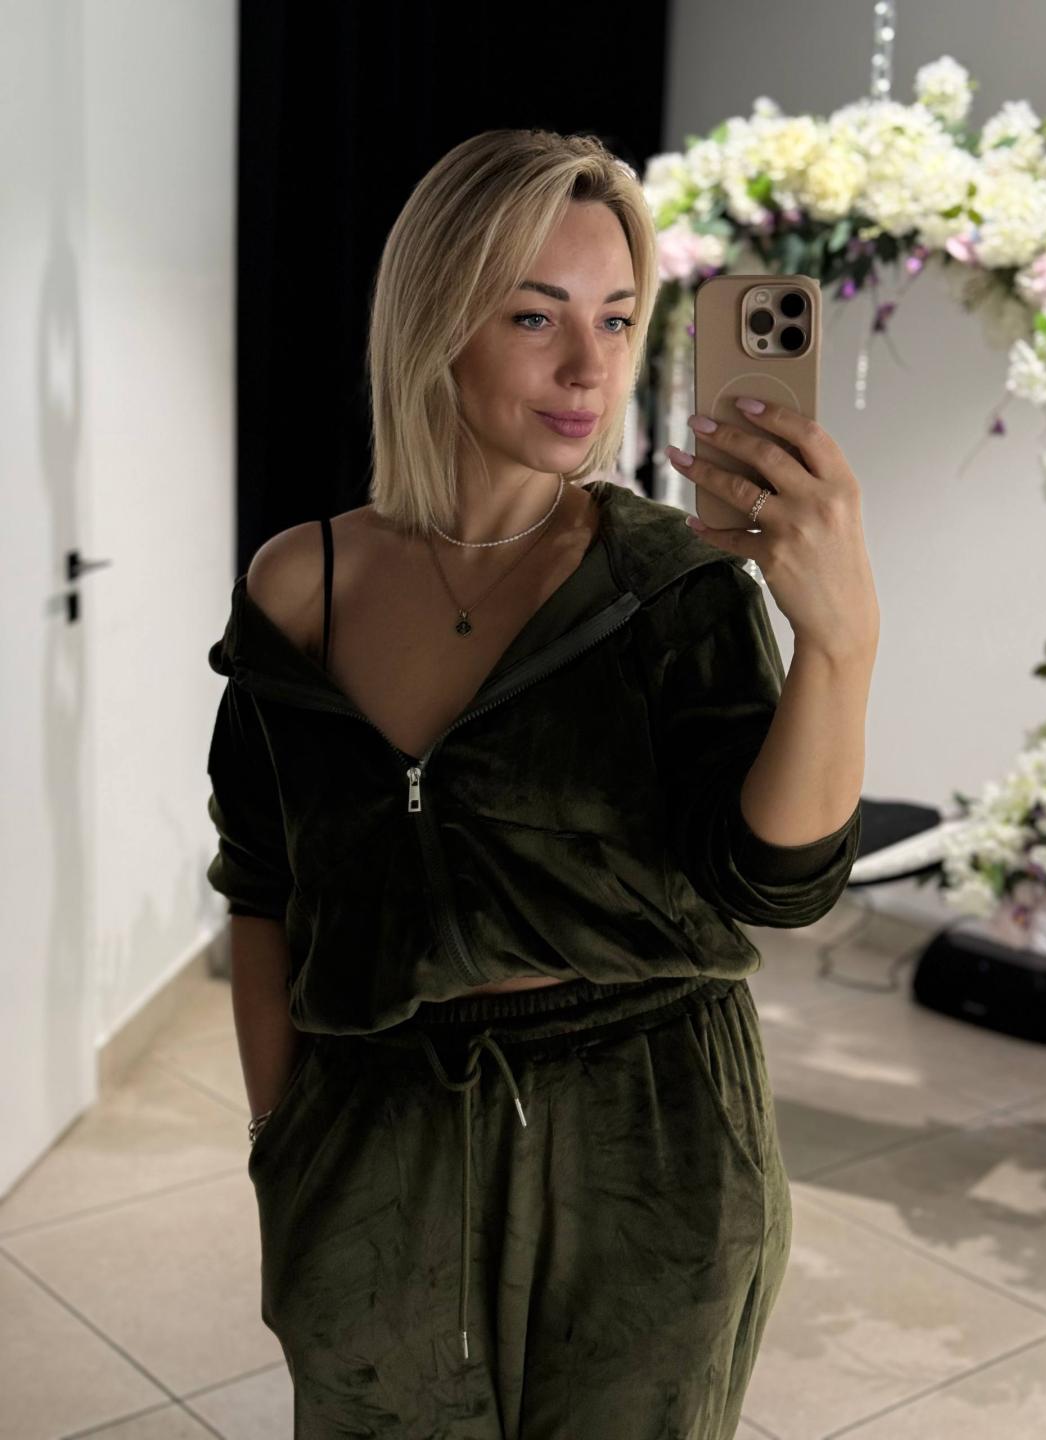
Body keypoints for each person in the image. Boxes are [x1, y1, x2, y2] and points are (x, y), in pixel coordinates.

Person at [205, 126, 876, 1440]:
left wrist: (840, 643)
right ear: (434, 322)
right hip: (376, 1142)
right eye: (534, 315)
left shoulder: (669, 582)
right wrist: (285, 1142)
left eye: (617, 318)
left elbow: (776, 884)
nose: (589, 366)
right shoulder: (300, 587)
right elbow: (263, 884)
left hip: (649, 1141)